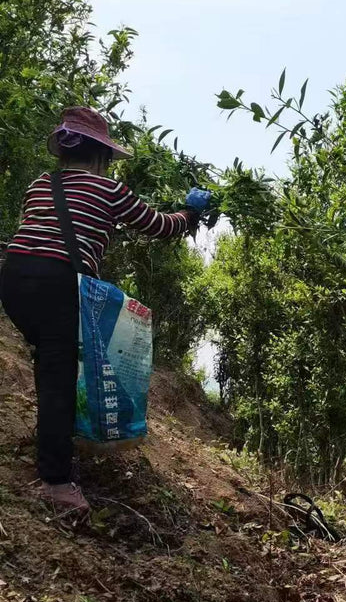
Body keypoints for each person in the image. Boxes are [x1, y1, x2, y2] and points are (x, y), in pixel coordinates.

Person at [0, 106, 211, 514]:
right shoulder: (109, 191)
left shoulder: (39, 184)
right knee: (59, 375)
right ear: (100, 156)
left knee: (52, 362)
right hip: (59, 283)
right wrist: (191, 212)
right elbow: (159, 225)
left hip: (13, 280)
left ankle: (54, 442)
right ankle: (57, 482)